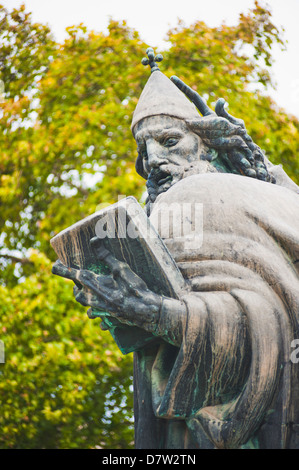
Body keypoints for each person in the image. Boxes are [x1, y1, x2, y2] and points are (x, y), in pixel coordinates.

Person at [52, 49, 299, 449]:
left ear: (208, 147)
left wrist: (158, 314)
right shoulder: (160, 216)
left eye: (169, 141)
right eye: (144, 149)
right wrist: (117, 306)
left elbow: (266, 315)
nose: (153, 160)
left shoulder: (208, 194)